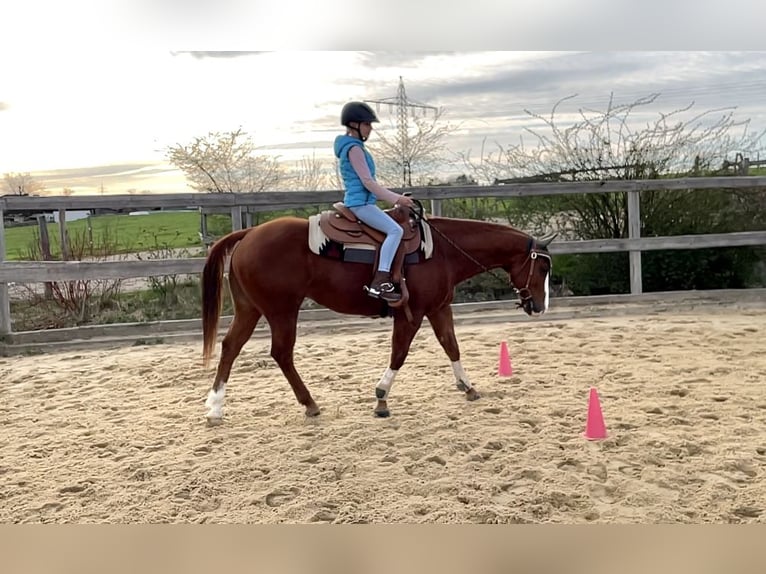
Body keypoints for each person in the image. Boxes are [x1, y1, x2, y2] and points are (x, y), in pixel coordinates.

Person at [334, 101, 415, 303]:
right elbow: (368, 182)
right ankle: (380, 281)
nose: (370, 129)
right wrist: (398, 199)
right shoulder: (354, 149)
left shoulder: (352, 147)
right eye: (367, 124)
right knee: (395, 230)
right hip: (361, 204)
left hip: (363, 202)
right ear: (355, 125)